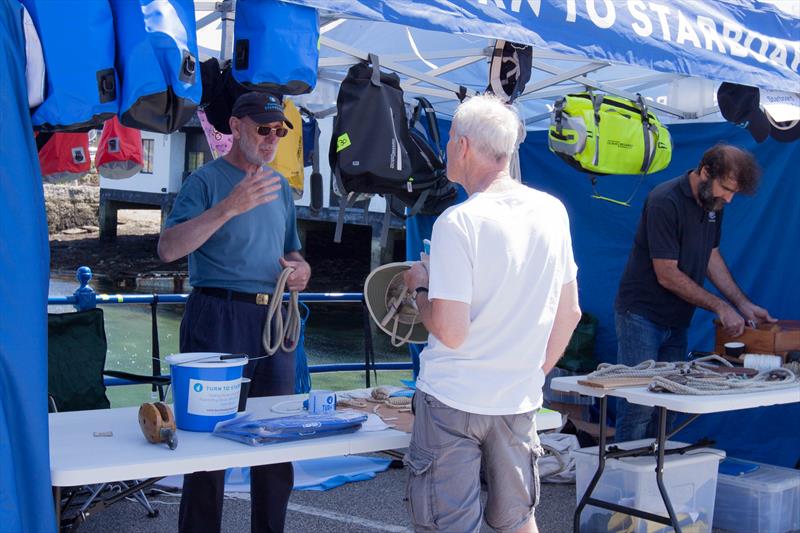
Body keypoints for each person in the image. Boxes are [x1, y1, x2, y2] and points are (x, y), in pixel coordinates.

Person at [401, 94, 582, 533]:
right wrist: (530, 372)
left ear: (463, 146)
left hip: (452, 398)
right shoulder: (551, 213)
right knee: (519, 521)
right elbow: (570, 311)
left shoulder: (457, 222)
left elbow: (451, 331)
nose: (445, 150)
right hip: (516, 399)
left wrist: (419, 286)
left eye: (447, 142)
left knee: (450, 525)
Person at [158, 91, 311, 533]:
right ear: (236, 127)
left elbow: (293, 253)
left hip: (272, 321)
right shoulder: (204, 181)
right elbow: (168, 249)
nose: (271, 139)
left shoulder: (280, 186)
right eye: (263, 129)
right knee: (208, 448)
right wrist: (230, 207)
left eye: (279, 132)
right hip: (217, 316)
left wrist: (301, 272)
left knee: (274, 442)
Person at [614, 143, 775, 442]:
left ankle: (657, 477)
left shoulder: (713, 206)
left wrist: (741, 304)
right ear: (705, 172)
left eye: (733, 193)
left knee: (669, 403)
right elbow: (667, 274)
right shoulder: (665, 200)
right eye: (725, 188)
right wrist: (719, 307)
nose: (728, 198)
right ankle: (623, 484)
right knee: (638, 405)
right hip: (641, 316)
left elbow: (711, 256)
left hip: (677, 320)